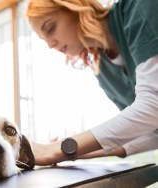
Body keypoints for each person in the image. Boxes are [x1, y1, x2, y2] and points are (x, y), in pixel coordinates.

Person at [26, 0, 158, 166]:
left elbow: (153, 107)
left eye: (50, 28)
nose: (50, 45)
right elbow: (152, 131)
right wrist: (76, 148)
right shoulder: (103, 71)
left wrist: (54, 149)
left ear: (76, 6)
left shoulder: (139, 6)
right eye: (43, 39)